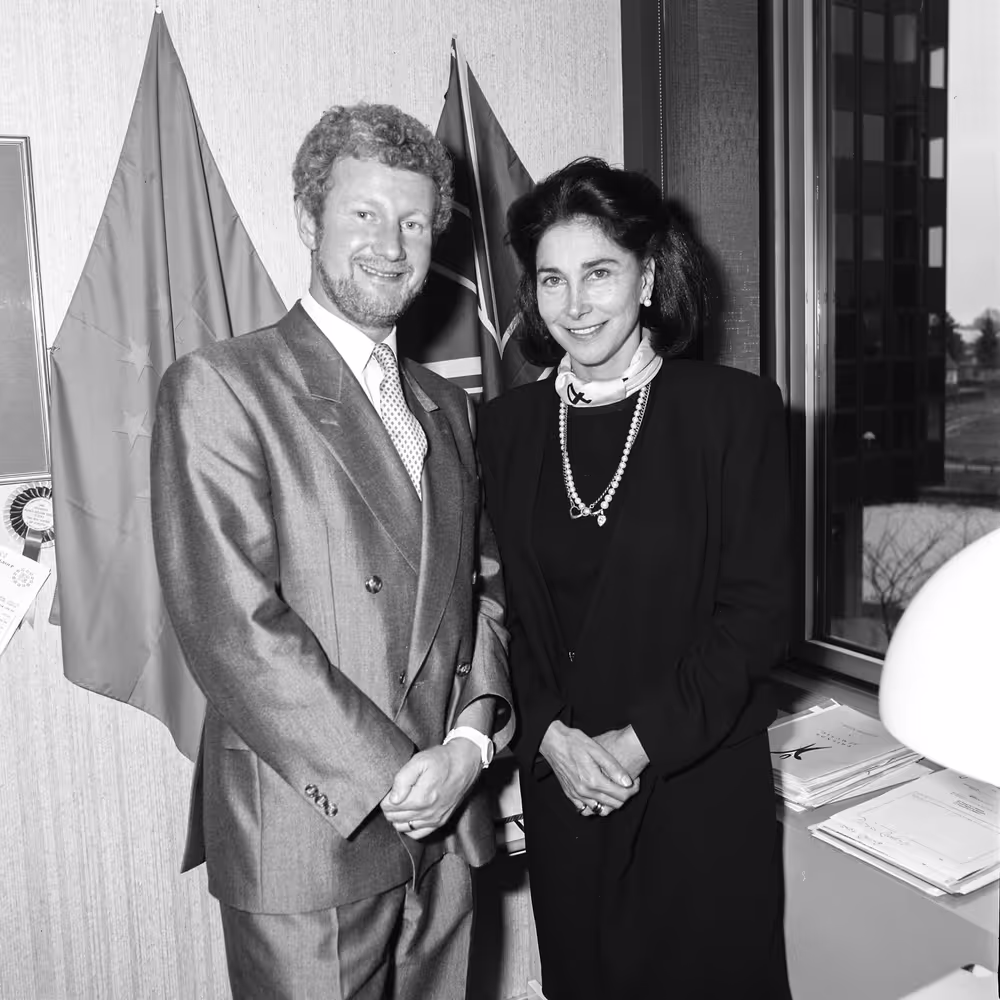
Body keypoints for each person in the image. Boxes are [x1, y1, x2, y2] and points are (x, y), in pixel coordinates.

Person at [151, 103, 512, 1000]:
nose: (392, 244)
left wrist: (469, 744)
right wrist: (396, 777)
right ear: (310, 221)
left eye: (416, 221)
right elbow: (233, 625)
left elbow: (484, 590)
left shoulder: (452, 407)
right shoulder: (222, 387)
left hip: (447, 826)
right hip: (311, 832)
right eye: (364, 215)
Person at [477, 158, 792, 999]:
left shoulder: (736, 410)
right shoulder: (504, 429)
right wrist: (546, 734)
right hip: (566, 788)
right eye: (552, 279)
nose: (574, 304)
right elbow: (498, 610)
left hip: (694, 786)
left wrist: (636, 741)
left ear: (649, 277)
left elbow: (759, 616)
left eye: (600, 273)